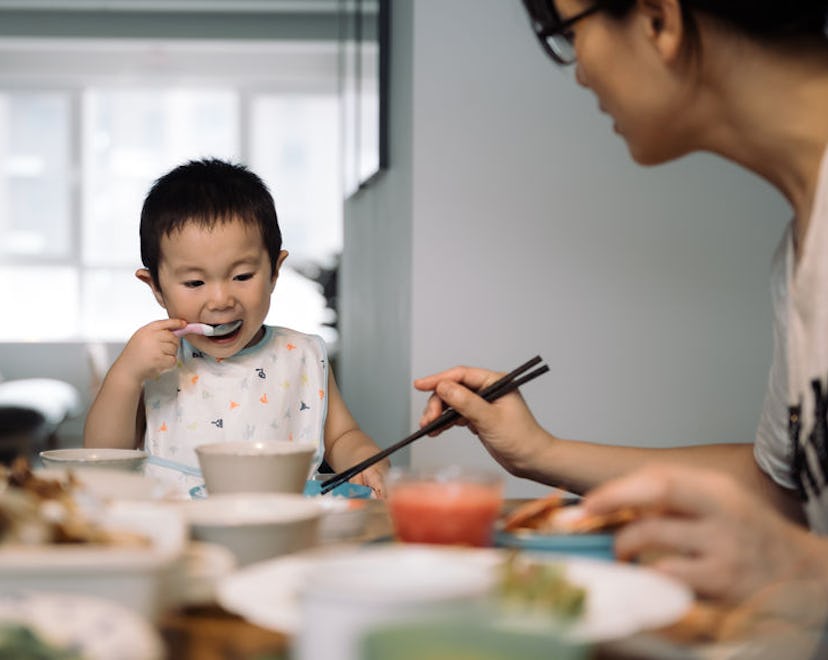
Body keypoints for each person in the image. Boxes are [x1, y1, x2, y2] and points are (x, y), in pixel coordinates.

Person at [415, 0, 828, 607]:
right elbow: (784, 490)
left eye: (566, 33)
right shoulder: (800, 247)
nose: (579, 71)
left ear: (659, 19)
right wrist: (540, 453)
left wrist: (807, 573)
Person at [84, 158, 387, 496]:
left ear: (274, 271)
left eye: (242, 276)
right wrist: (126, 376)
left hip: (280, 527)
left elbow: (342, 437)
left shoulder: (302, 355)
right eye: (195, 282)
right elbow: (103, 458)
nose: (220, 300)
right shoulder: (153, 363)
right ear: (156, 287)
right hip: (179, 530)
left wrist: (365, 460)